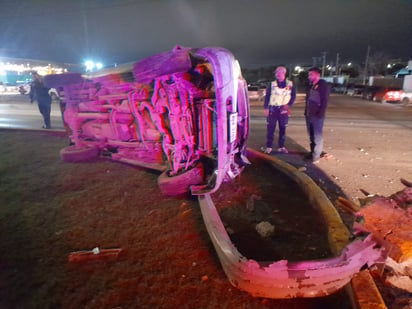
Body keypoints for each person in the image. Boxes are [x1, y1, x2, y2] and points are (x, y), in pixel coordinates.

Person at [261, 66, 296, 154]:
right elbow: (267, 96)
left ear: (283, 73)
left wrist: (289, 105)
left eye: (278, 72)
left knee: (282, 129)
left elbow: (293, 96)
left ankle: (281, 146)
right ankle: (269, 146)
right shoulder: (272, 84)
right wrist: (266, 108)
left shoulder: (290, 84)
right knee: (270, 129)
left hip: (284, 110)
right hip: (273, 110)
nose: (277, 74)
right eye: (276, 73)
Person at [304, 67, 330, 163]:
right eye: (309, 74)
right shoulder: (311, 86)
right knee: (311, 136)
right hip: (309, 115)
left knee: (317, 136)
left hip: (317, 116)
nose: (309, 76)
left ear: (317, 75)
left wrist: (320, 114)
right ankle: (312, 152)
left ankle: (316, 156)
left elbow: (325, 101)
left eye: (311, 74)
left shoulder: (323, 85)